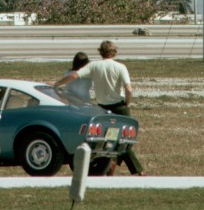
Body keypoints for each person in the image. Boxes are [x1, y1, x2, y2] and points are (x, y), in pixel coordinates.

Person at [54, 40, 145, 175]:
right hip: (119, 106)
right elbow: (129, 89)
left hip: (102, 108)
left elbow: (74, 75)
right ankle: (136, 171)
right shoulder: (121, 67)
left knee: (106, 139)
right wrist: (127, 102)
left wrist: (57, 84)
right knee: (124, 140)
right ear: (114, 52)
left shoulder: (94, 65)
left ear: (100, 52)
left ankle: (111, 166)